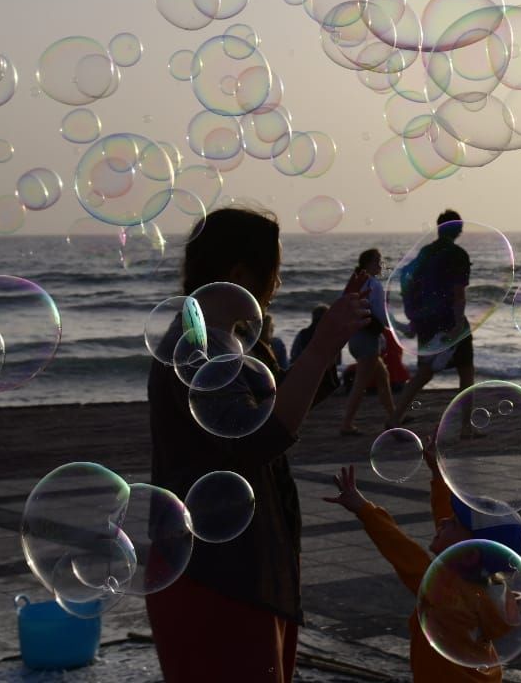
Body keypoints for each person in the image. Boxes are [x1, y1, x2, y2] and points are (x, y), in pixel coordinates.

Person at [146, 207, 369, 682]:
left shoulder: (229, 340)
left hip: (239, 568)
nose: (281, 284)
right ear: (239, 274)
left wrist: (325, 361)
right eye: (277, 272)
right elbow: (257, 437)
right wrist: (323, 345)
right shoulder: (197, 348)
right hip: (217, 576)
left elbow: (268, 404)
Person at [323, 439, 521, 681]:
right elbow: (451, 530)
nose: (443, 521)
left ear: (470, 554)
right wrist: (438, 476)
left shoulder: (446, 592)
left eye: (453, 522)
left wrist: (364, 510)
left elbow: (404, 553)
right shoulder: (485, 587)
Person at [387, 211, 473, 427]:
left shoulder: (425, 252)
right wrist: (457, 324)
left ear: (438, 228)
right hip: (450, 320)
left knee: (423, 374)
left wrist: (414, 318)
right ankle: (465, 427)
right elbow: (458, 294)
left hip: (427, 321)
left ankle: (394, 418)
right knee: (466, 370)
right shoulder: (458, 254)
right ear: (457, 230)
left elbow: (410, 284)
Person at [341, 248, 398, 435]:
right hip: (367, 340)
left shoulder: (356, 282)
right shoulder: (374, 284)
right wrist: (399, 328)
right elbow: (381, 315)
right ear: (367, 264)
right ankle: (346, 424)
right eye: (377, 261)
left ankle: (394, 417)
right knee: (360, 384)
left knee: (383, 377)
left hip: (355, 338)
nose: (380, 264)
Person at [290, 305, 342, 396]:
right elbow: (338, 361)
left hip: (305, 375)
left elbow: (294, 355)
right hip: (327, 379)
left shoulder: (303, 333)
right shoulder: (333, 333)